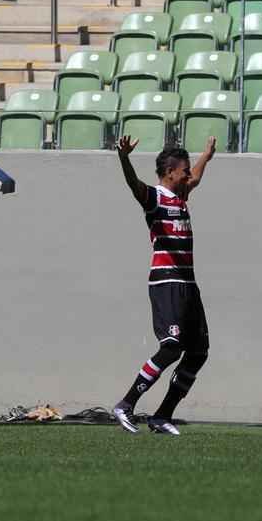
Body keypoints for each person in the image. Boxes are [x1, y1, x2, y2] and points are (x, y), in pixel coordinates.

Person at [111, 135, 216, 436]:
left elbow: (196, 177)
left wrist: (206, 156)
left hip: (188, 285)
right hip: (166, 282)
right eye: (184, 171)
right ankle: (126, 405)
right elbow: (133, 185)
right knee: (171, 347)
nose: (188, 176)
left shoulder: (181, 195)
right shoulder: (155, 198)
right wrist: (124, 158)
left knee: (198, 352)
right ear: (170, 172)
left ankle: (162, 416)